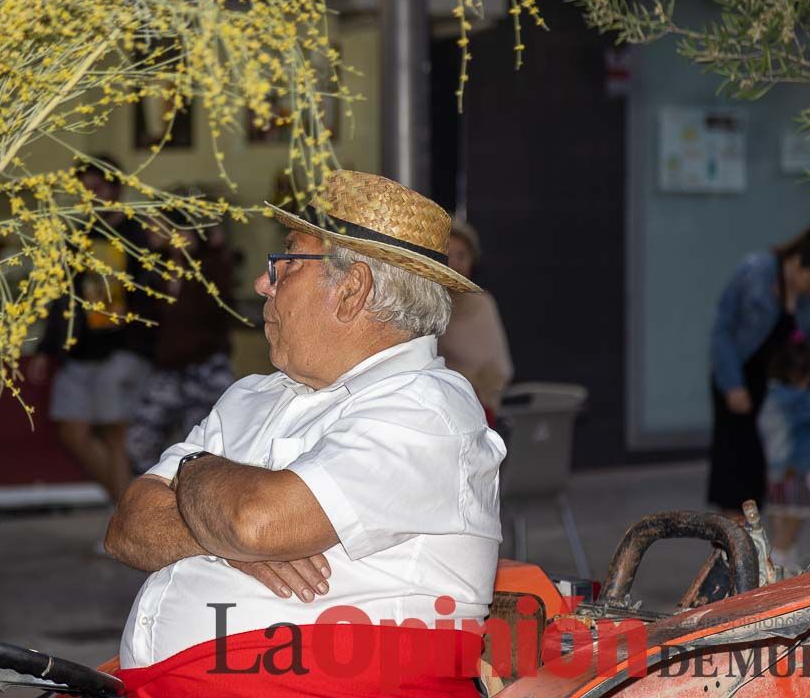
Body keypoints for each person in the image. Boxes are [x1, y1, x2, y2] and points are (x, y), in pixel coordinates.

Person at [103, 170, 506, 696]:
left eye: (286, 262)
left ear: (352, 290)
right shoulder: (254, 394)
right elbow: (127, 527)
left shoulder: (429, 408)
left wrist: (193, 469)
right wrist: (230, 545)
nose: (262, 283)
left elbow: (258, 521)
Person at [29, 156, 153, 502]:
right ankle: (129, 503)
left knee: (117, 433)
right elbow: (62, 295)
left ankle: (127, 513)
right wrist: (46, 349)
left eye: (98, 188)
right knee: (72, 432)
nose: (92, 196)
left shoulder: (138, 233)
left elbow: (154, 293)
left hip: (124, 348)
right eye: (85, 190)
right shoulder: (79, 236)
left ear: (116, 188)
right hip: (80, 350)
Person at [708, 225, 810, 514]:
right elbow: (722, 332)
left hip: (780, 388)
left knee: (784, 472)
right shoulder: (754, 274)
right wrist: (732, 384)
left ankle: (774, 547)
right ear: (795, 264)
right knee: (737, 473)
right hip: (740, 377)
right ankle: (731, 545)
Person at [123, 221, 237, 473]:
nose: (176, 237)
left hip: (205, 368)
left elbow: (216, 312)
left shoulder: (211, 267)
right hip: (170, 369)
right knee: (139, 440)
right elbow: (143, 318)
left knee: (202, 448)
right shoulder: (155, 270)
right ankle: (161, 493)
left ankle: (188, 499)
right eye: (170, 230)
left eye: (182, 230)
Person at [757, 331, 810, 569]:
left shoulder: (772, 395)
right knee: (790, 526)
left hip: (774, 471)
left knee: (779, 523)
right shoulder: (797, 399)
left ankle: (781, 566)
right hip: (796, 470)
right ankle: (778, 572)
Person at [439, 219, 513, 421]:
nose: (455, 263)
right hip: (438, 407)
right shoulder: (426, 304)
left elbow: (501, 368)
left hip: (480, 408)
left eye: (461, 256)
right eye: (448, 256)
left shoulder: (483, 303)